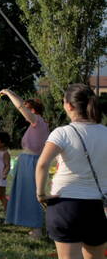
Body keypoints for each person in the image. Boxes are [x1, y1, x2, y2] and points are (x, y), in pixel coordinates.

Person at [36, 84, 107, 258]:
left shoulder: (62, 133)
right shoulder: (105, 132)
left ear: (69, 105)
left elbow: (42, 164)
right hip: (99, 206)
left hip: (65, 204)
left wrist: (41, 194)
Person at [1, 89, 49, 239]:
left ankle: (37, 229)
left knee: (31, 194)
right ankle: (32, 225)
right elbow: (23, 105)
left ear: (33, 111)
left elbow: (20, 106)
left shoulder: (37, 121)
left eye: (28, 110)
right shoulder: (36, 123)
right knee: (26, 194)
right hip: (27, 162)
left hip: (31, 163)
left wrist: (9, 94)